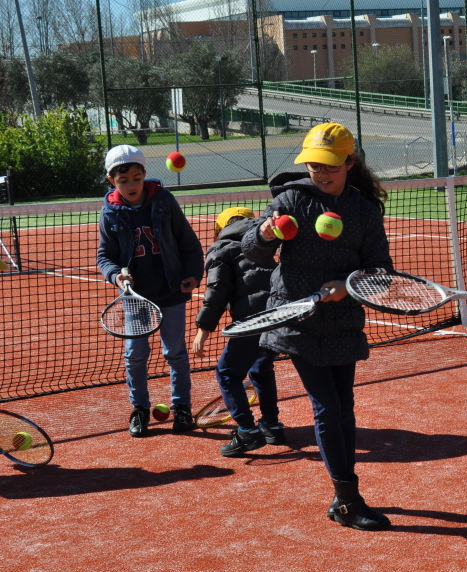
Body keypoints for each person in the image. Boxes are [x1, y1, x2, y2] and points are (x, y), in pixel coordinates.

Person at [241, 122, 393, 530]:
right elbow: (252, 251)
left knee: (345, 410)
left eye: (329, 165)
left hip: (342, 321)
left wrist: (347, 287)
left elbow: (381, 271)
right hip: (296, 320)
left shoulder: (363, 210)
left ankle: (345, 496)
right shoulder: (291, 200)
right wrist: (265, 231)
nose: (321, 173)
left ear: (348, 161)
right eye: (313, 166)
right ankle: (347, 499)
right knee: (326, 407)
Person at [96, 145, 204, 438]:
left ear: (144, 174)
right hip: (135, 298)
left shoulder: (165, 202)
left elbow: (189, 243)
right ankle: (140, 409)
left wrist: (194, 274)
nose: (131, 185)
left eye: (136, 177)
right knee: (135, 355)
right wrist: (116, 275)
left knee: (176, 354)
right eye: (123, 180)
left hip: (170, 292)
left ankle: (182, 408)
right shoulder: (110, 213)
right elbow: (104, 256)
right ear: (112, 181)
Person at [192, 207, 285, 457]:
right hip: (278, 315)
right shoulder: (265, 240)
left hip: (251, 321)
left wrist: (203, 330)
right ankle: (272, 427)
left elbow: (217, 291)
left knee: (227, 373)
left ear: (221, 228)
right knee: (260, 369)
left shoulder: (221, 248)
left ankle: (247, 431)